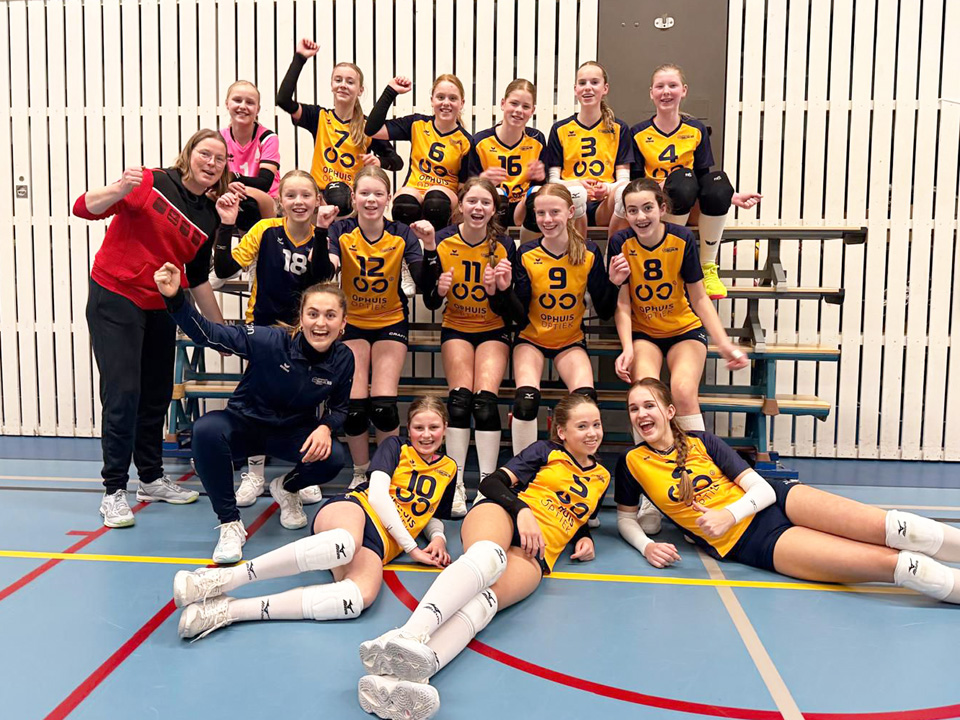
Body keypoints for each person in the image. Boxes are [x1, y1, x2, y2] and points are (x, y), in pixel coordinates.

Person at [356, 393, 608, 720]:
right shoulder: (546, 451)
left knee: (483, 605)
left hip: (537, 551)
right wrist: (522, 511)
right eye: (582, 426)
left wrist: (584, 537)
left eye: (596, 425)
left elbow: (578, 514)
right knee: (488, 557)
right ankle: (408, 635)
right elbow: (493, 483)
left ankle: (403, 681)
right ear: (562, 431)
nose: (592, 433)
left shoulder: (602, 477)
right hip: (503, 514)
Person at [616, 378, 960, 606]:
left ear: (670, 411)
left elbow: (762, 488)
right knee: (905, 566)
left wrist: (728, 514)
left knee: (903, 529)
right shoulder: (632, 462)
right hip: (753, 540)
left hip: (778, 500)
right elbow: (626, 519)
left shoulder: (701, 441)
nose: (641, 414)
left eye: (649, 405)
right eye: (634, 408)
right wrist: (647, 547)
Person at [171, 397, 457, 641]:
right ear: (409, 428)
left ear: (445, 428)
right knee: (344, 542)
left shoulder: (449, 468)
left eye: (433, 427)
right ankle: (221, 579)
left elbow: (432, 514)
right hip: (355, 510)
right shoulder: (395, 447)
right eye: (419, 427)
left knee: (357, 598)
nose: (426, 435)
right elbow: (378, 497)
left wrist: (438, 538)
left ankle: (228, 611)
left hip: (380, 545)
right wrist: (413, 549)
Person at [72, 129, 230, 528]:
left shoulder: (208, 216)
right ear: (189, 154)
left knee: (156, 395)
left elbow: (197, 279)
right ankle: (113, 491)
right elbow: (83, 207)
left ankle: (151, 479)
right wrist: (117, 188)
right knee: (123, 393)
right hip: (115, 295)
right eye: (205, 154)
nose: (211, 163)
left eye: (220, 159)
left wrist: (221, 332)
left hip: (161, 303)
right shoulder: (151, 182)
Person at [154, 267, 354, 563]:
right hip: (244, 426)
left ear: (343, 323)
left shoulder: (344, 358)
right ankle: (230, 523)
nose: (320, 323)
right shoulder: (269, 340)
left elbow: (340, 408)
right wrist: (175, 299)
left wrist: (325, 427)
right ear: (301, 318)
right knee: (206, 430)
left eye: (330, 315)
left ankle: (287, 488)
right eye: (312, 314)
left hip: (291, 434)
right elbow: (209, 333)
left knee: (333, 456)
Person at [212, 170, 340, 510]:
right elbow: (223, 269)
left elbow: (320, 276)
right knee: (259, 401)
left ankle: (303, 473)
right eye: (291, 195)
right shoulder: (264, 230)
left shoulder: (325, 233)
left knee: (307, 400)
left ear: (317, 201)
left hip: (306, 332)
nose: (299, 202)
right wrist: (226, 225)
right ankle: (254, 474)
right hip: (265, 329)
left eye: (306, 195)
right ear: (280, 201)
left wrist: (322, 232)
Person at [319, 166, 441, 488]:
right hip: (353, 324)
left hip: (390, 321)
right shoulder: (341, 229)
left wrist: (430, 245)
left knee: (384, 407)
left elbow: (424, 282)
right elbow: (324, 270)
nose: (371, 200)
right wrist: (321, 234)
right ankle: (361, 470)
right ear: (354, 197)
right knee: (355, 409)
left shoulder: (401, 233)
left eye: (378, 194)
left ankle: (386, 471)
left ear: (388, 198)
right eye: (364, 193)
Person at [491, 183, 622, 455]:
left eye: (554, 212)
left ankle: (581, 465)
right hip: (531, 339)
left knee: (585, 402)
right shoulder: (527, 253)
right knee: (526, 401)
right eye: (541, 213)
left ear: (570, 212)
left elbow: (605, 310)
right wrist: (504, 291)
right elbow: (519, 316)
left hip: (570, 340)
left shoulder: (588, 252)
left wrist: (613, 283)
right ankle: (524, 467)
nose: (547, 220)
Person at [611, 178, 749, 435]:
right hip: (644, 333)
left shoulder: (681, 238)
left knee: (683, 391)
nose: (641, 216)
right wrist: (627, 348)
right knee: (645, 395)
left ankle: (696, 456)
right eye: (632, 210)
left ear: (662, 208)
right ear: (626, 214)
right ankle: (648, 459)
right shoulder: (621, 242)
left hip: (684, 330)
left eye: (648, 208)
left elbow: (699, 298)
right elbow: (622, 302)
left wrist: (725, 344)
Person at [611, 63, 762, 298]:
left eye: (672, 85)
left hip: (688, 199)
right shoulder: (638, 132)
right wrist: (659, 187)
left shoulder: (696, 129)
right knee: (682, 181)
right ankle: (674, 259)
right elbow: (636, 181)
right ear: (651, 93)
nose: (666, 92)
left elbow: (704, 177)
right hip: (657, 204)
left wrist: (730, 196)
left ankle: (708, 267)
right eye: (660, 86)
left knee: (718, 182)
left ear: (684, 90)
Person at [421, 178, 516, 516]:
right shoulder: (444, 240)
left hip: (493, 329)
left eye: (485, 203)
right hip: (457, 327)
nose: (478, 208)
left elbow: (512, 310)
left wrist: (498, 291)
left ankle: (488, 484)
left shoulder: (504, 244)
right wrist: (439, 290)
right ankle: (456, 482)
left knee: (485, 404)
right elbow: (430, 301)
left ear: (494, 209)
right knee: (460, 403)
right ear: (460, 205)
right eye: (472, 201)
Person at [276, 38, 403, 215]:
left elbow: (397, 162)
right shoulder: (319, 117)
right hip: (320, 197)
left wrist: (379, 161)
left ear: (360, 90)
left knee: (340, 199)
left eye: (350, 82)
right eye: (338, 80)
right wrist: (300, 58)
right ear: (332, 85)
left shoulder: (367, 127)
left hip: (350, 201)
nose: (343, 85)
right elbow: (283, 100)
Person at [364, 74, 473, 230]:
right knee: (404, 204)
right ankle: (406, 244)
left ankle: (437, 243)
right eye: (440, 97)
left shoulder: (466, 141)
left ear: (461, 103)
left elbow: (463, 187)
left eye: (453, 98)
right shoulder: (417, 124)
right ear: (432, 100)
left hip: (444, 195)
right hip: (414, 188)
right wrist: (390, 91)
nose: (446, 103)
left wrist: (459, 216)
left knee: (435, 202)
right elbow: (371, 130)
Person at [544, 61, 633, 237]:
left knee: (626, 192)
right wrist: (576, 184)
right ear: (575, 89)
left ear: (605, 88)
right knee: (577, 194)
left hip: (605, 204)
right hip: (570, 200)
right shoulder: (560, 129)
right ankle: (578, 252)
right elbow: (553, 181)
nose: (588, 88)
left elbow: (624, 179)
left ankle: (613, 251)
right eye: (582, 83)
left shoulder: (619, 128)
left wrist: (606, 189)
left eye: (594, 82)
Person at [467, 79, 546, 238]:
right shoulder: (480, 141)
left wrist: (541, 178)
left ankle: (528, 250)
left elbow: (542, 185)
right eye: (514, 103)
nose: (519, 111)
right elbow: (467, 188)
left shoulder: (537, 139)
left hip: (523, 207)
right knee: (498, 195)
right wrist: (482, 180)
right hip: (495, 205)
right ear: (503, 104)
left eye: (525, 107)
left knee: (538, 195)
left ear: (532, 110)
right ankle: (496, 248)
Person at [219, 80, 281, 230]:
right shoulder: (219, 138)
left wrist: (232, 179)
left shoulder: (268, 138)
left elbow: (264, 183)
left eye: (250, 102)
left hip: (266, 199)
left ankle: (252, 244)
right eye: (237, 100)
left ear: (257, 109)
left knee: (247, 204)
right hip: (231, 192)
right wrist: (228, 184)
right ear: (227, 104)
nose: (243, 106)